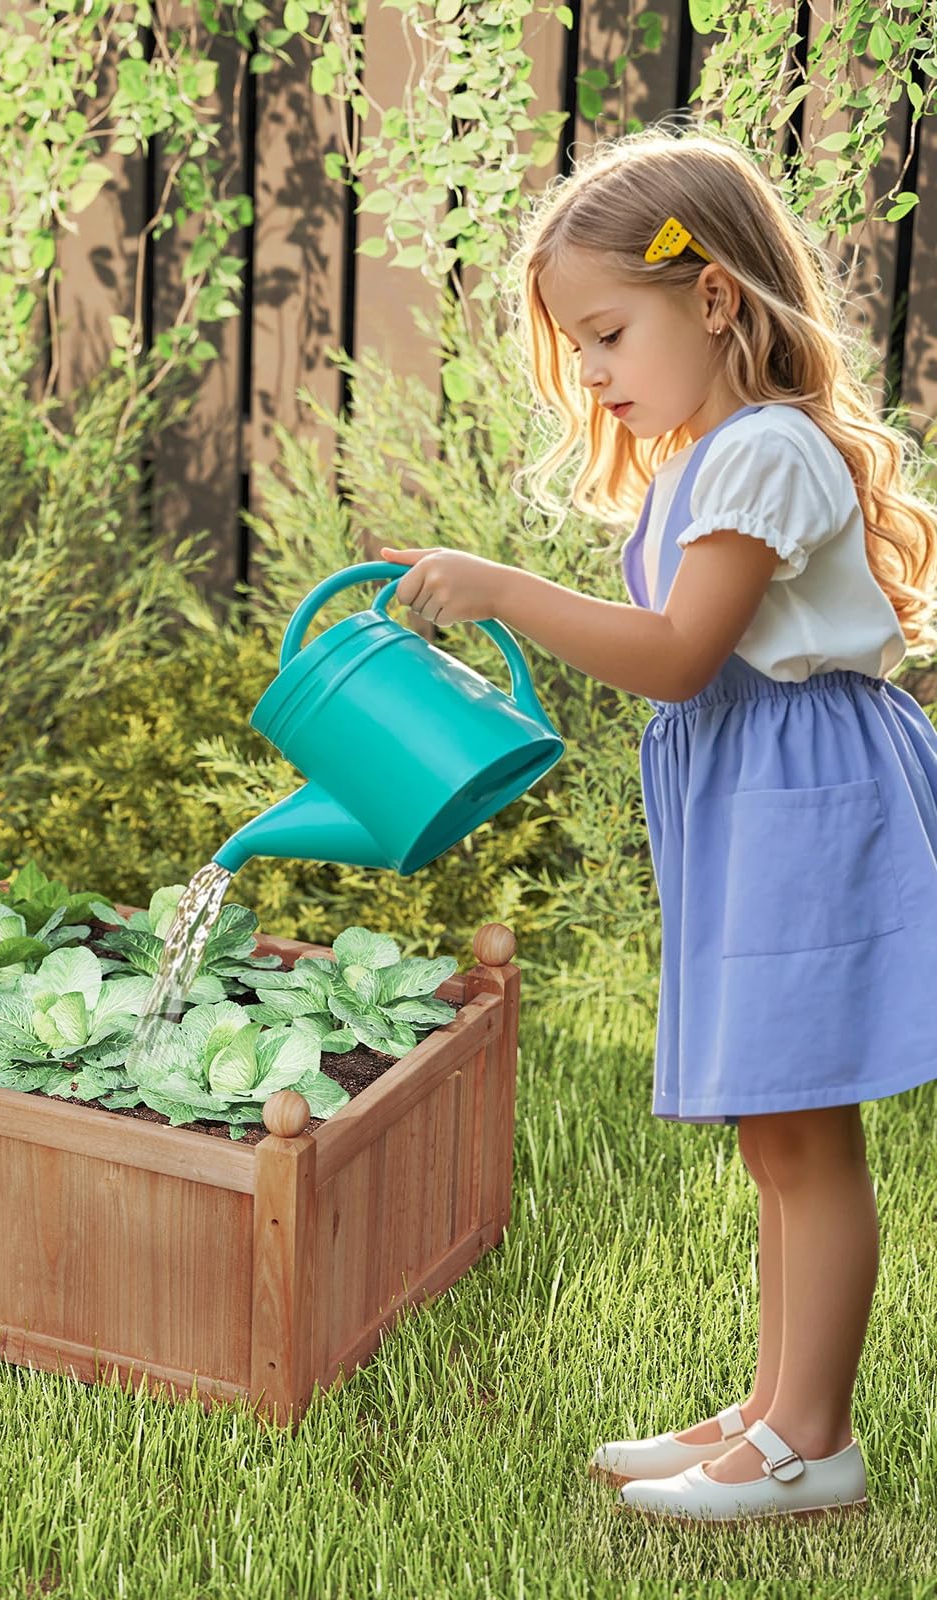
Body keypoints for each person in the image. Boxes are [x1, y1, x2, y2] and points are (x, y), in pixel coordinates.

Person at [380, 126, 937, 1525]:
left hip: (809, 811)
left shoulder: (765, 455)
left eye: (608, 334)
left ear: (716, 298)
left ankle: (812, 1443)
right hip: (763, 806)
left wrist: (505, 591)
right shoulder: (717, 455)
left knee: (804, 1135)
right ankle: (772, 1409)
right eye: (579, 350)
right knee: (777, 1128)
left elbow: (684, 653)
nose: (596, 377)